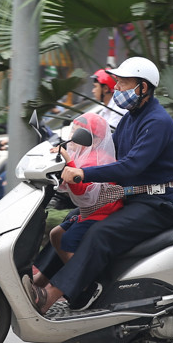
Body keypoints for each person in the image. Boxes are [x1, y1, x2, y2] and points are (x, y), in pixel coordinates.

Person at [24, 57, 173, 317]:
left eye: (123, 83)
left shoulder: (156, 121)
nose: (117, 89)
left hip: (162, 204)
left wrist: (83, 173)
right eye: (117, 83)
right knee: (71, 223)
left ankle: (53, 296)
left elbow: (130, 166)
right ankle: (36, 285)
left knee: (101, 233)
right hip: (134, 198)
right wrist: (67, 154)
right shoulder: (130, 119)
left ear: (143, 88)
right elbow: (106, 151)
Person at [32, 112, 123, 286]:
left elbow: (82, 190)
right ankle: (53, 280)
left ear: (95, 141)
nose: (73, 137)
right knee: (56, 234)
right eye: (73, 131)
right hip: (89, 211)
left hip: (101, 213)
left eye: (79, 133)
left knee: (67, 240)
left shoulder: (98, 159)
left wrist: (67, 160)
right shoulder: (83, 154)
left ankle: (83, 282)